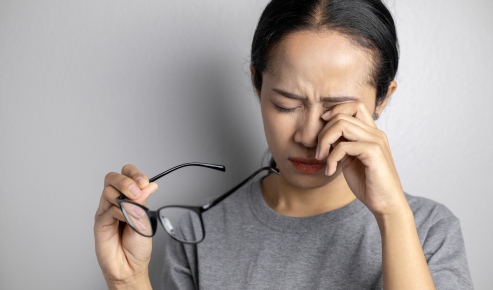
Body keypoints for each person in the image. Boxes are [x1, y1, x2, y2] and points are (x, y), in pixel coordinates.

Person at [94, 0, 474, 289]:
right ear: (257, 83)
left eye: (336, 110)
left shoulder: (427, 230)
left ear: (382, 99)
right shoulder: (195, 234)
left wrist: (392, 215)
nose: (308, 136)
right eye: (286, 105)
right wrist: (128, 282)